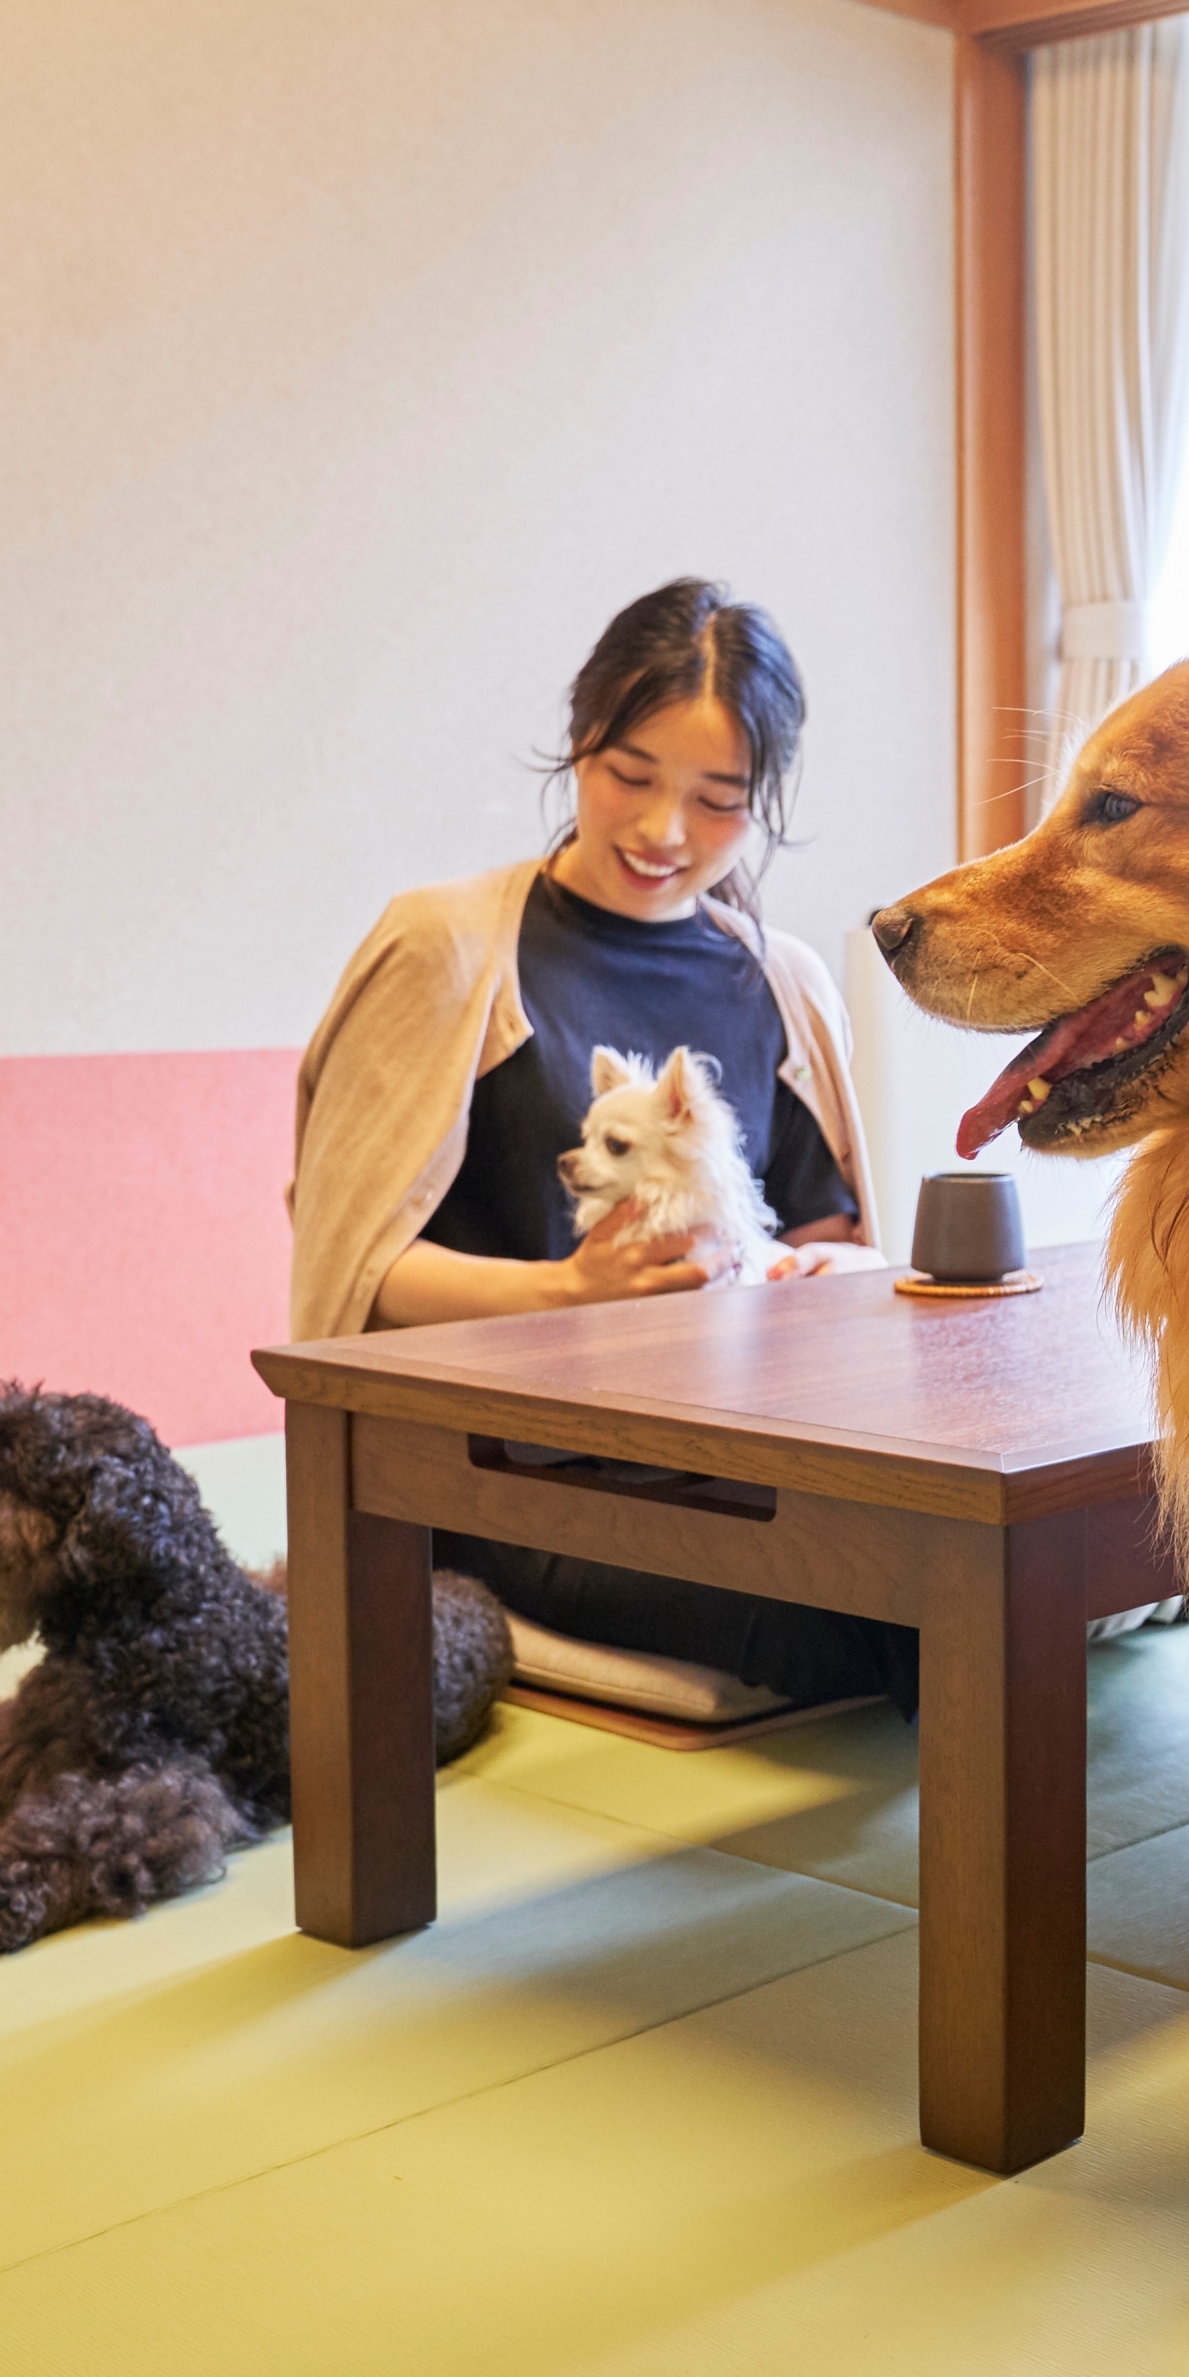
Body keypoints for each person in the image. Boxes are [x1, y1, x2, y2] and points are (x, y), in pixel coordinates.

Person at [287, 579, 918, 1712]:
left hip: (732, 1453)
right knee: (885, 1620)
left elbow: (825, 1229)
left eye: (719, 800)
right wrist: (569, 1292)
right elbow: (355, 1278)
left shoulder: (783, 983)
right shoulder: (447, 947)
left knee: (1001, 1564)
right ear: (581, 741)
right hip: (503, 1479)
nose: (664, 831)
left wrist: (826, 1276)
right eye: (631, 776)